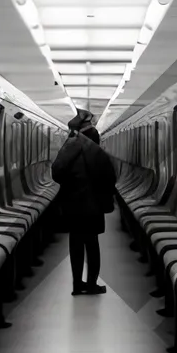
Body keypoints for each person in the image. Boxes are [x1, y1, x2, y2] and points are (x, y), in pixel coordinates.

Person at [52, 118, 117, 296]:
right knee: (92, 245)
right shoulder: (99, 153)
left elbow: (56, 174)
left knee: (75, 245)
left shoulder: (67, 149)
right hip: (93, 206)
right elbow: (111, 179)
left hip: (72, 205)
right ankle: (91, 285)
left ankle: (76, 285)